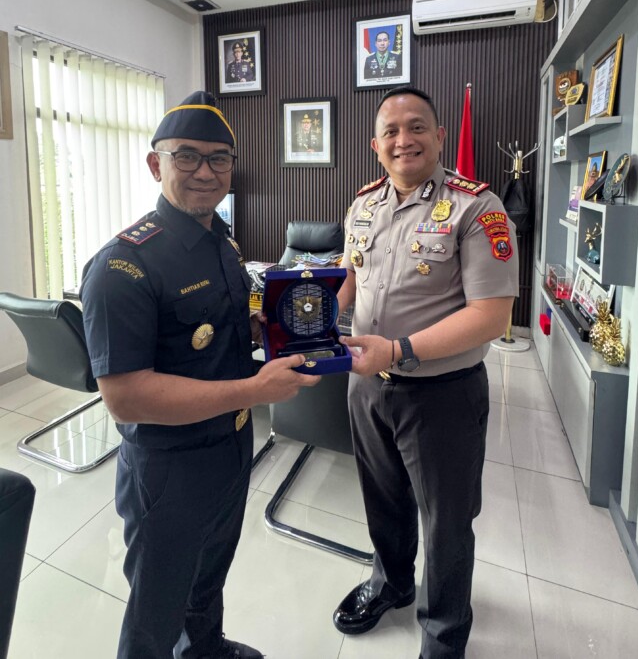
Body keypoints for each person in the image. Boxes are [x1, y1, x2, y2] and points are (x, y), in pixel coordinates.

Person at [80, 90, 320, 659]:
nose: (205, 172)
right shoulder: (123, 266)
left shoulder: (222, 242)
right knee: (156, 609)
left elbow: (220, 329)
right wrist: (256, 390)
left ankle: (205, 649)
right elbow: (127, 397)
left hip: (229, 449)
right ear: (155, 163)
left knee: (209, 574)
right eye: (186, 156)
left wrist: (267, 330)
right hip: (170, 469)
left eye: (219, 158)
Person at [332, 85, 519, 659]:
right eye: (390, 131)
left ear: (439, 137)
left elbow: (492, 316)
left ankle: (442, 634)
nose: (403, 140)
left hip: (442, 394)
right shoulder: (363, 205)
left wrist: (397, 350)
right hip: (366, 385)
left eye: (416, 127)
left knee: (446, 522)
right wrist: (310, 317)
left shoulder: (477, 207)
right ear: (375, 145)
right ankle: (391, 583)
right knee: (382, 499)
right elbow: (349, 277)